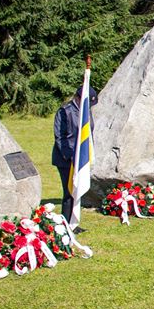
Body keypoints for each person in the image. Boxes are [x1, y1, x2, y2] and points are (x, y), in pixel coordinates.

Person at [52, 86, 98, 232]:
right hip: (66, 159)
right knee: (69, 192)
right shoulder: (64, 111)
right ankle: (65, 225)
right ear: (78, 98)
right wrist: (72, 156)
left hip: (80, 159)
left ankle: (73, 223)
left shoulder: (86, 111)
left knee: (77, 191)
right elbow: (60, 137)